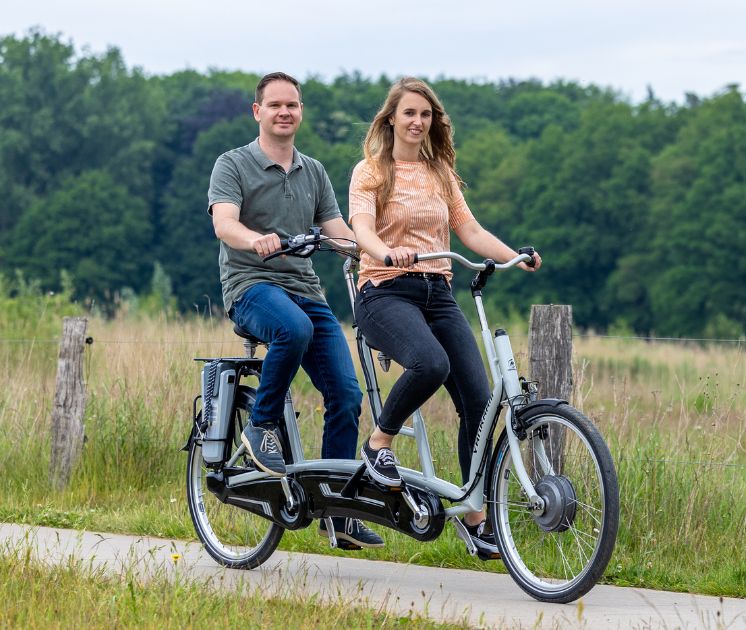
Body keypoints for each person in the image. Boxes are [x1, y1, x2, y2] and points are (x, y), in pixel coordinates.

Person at [348, 77, 541, 559]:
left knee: (479, 403)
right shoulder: (371, 171)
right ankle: (378, 444)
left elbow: (469, 230)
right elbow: (361, 229)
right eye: (409, 113)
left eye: (426, 114)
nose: (417, 122)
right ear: (391, 119)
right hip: (385, 291)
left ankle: (474, 517)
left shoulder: (440, 173)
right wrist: (386, 252)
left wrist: (514, 256)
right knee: (431, 364)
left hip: (438, 293)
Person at [208, 72, 382, 550]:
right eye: (275, 105)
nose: (285, 112)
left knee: (346, 395)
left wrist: (373, 250)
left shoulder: (314, 171)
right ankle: (262, 426)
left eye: (293, 105)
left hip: (305, 290)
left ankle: (337, 512)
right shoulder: (233, 164)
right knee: (293, 328)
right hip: (251, 286)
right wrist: (255, 240)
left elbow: (337, 228)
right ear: (257, 112)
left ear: (300, 112)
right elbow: (224, 224)